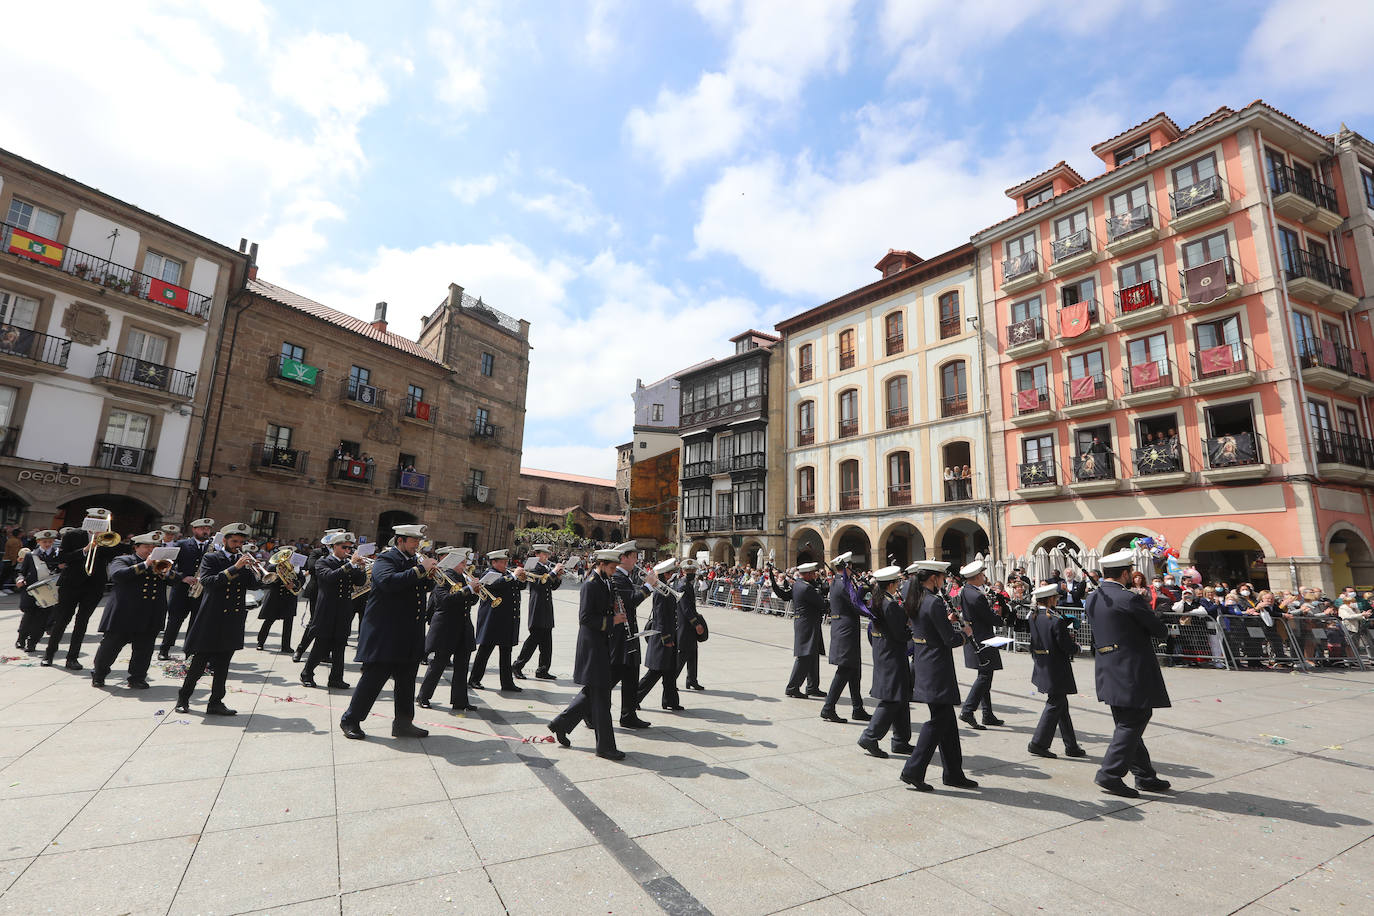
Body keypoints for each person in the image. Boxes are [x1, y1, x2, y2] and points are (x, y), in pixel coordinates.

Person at [1085, 549, 1172, 798]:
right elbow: (1158, 630)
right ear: (1125, 573)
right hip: (1130, 668)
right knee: (1134, 719)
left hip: (1108, 667)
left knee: (1127, 722)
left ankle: (1144, 775)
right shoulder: (1128, 599)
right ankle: (1110, 774)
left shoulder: (1093, 597)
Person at [339, 523, 438, 740]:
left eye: (418, 542)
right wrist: (421, 570)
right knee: (373, 680)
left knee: (406, 681)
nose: (417, 546)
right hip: (386, 633)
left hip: (408, 633)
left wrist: (428, 577)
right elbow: (388, 582)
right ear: (400, 540)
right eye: (413, 541)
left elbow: (415, 588)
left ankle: (403, 723)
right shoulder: (387, 559)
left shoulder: (411, 561)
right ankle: (350, 720)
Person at [901, 559, 978, 791]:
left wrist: (947, 622)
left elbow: (929, 627)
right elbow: (949, 639)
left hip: (926, 664)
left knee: (948, 724)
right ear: (934, 578)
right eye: (942, 578)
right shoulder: (933, 601)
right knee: (938, 722)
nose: (944, 581)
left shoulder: (916, 598)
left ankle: (953, 772)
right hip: (937, 668)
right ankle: (913, 770)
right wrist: (964, 633)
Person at [548, 547, 629, 760]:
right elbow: (585, 618)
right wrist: (612, 621)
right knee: (602, 698)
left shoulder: (605, 582)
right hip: (592, 646)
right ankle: (605, 747)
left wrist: (615, 610)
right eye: (611, 568)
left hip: (602, 644)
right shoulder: (590, 585)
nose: (613, 572)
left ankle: (561, 724)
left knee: (592, 692)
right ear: (601, 564)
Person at [175, 522, 263, 715]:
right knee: (199, 663)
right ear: (224, 540)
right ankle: (183, 698)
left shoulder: (243, 559)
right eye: (234, 541)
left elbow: (254, 585)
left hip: (233, 617)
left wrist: (260, 570)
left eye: (241, 541)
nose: (237, 544)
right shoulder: (211, 557)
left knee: (223, 665)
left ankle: (216, 702)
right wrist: (235, 568)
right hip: (212, 617)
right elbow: (208, 582)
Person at [91, 531, 176, 689]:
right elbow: (117, 575)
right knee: (110, 646)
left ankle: (137, 677)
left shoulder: (160, 564)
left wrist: (168, 572)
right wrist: (145, 564)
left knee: (144, 649)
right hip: (124, 613)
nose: (151, 550)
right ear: (136, 547)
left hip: (150, 613)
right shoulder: (123, 560)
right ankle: (99, 674)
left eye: (154, 547)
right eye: (147, 547)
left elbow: (174, 580)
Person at [44, 508, 123, 670]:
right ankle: (49, 654)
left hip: (94, 585)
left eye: (102, 521)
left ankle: (72, 658)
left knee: (82, 622)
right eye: (94, 519)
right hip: (70, 584)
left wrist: (103, 542)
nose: (98, 523)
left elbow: (115, 555)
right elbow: (63, 557)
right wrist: (86, 550)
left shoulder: (108, 538)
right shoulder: (72, 535)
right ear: (87, 519)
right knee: (61, 621)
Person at [856, 565, 913, 758]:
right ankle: (869, 736)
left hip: (884, 652)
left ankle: (901, 740)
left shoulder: (878, 601)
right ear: (892, 584)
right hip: (892, 654)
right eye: (897, 582)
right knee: (891, 698)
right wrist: (910, 628)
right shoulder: (889, 604)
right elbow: (900, 633)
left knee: (901, 698)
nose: (899, 584)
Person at [1026, 583, 1086, 758]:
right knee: (1055, 704)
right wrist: (1078, 648)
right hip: (1056, 667)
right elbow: (1065, 646)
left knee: (1061, 706)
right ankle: (1038, 743)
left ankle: (1071, 745)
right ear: (1051, 599)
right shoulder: (1055, 619)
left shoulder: (1034, 616)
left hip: (1043, 663)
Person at [301, 532, 366, 689]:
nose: (348, 550)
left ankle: (336, 678)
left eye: (350, 547)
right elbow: (330, 577)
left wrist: (361, 569)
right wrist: (350, 565)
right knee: (321, 645)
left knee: (340, 645)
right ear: (334, 547)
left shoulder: (348, 563)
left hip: (344, 609)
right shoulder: (323, 562)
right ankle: (307, 673)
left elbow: (360, 582)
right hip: (327, 609)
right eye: (344, 547)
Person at [417, 547, 478, 711]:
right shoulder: (443, 578)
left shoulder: (462, 578)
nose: (465, 566)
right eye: (462, 563)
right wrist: (468, 590)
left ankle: (460, 700)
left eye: (466, 562)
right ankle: (423, 696)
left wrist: (475, 592)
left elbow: (469, 602)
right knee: (438, 664)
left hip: (462, 627)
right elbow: (444, 601)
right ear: (453, 563)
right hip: (446, 627)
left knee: (462, 666)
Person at [609, 540, 659, 728]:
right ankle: (590, 710)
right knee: (614, 676)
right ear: (624, 558)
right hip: (621, 635)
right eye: (634, 556)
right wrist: (648, 587)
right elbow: (630, 602)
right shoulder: (618, 577)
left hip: (630, 634)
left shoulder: (626, 577)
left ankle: (628, 714)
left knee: (631, 675)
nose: (637, 559)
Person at [468, 549, 529, 692]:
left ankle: (507, 683)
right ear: (494, 562)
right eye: (502, 562)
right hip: (493, 619)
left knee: (506, 652)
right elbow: (497, 584)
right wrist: (514, 576)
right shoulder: (488, 574)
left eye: (506, 562)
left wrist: (522, 578)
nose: (505, 564)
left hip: (507, 619)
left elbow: (519, 586)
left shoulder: (507, 574)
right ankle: (474, 679)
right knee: (485, 650)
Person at [817, 559, 869, 723]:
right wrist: (873, 611)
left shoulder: (838, 582)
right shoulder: (843, 584)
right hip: (846, 632)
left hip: (846, 630)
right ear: (848, 568)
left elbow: (852, 601)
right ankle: (828, 708)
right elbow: (855, 605)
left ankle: (858, 708)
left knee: (854, 671)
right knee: (845, 669)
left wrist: (861, 589)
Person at [957, 559, 1005, 730]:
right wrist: (1002, 618)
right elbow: (988, 617)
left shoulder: (966, 591)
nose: (984, 577)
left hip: (977, 636)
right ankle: (968, 710)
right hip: (983, 638)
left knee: (985, 675)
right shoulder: (977, 595)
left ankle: (987, 713)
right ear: (977, 576)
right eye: (982, 574)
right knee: (985, 676)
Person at [160, 517, 216, 660]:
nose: (206, 531)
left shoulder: (214, 547)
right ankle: (164, 649)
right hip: (181, 589)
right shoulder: (182, 544)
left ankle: (189, 651)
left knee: (196, 622)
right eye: (202, 528)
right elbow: (166, 567)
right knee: (174, 621)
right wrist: (182, 577)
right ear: (194, 529)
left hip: (201, 590)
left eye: (208, 529)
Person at [636, 558, 684, 711]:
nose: (672, 575)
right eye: (670, 573)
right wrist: (667, 638)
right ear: (666, 574)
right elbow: (660, 617)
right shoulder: (660, 591)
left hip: (668, 634)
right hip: (662, 637)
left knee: (670, 672)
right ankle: (633, 699)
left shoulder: (665, 589)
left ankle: (670, 701)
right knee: (654, 673)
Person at [512, 544, 563, 680]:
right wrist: (553, 572)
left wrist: (558, 576)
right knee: (534, 639)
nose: (547, 556)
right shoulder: (534, 567)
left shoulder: (545, 568)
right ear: (537, 554)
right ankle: (517, 665)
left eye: (547, 554)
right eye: (544, 554)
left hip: (546, 607)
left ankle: (543, 669)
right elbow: (541, 583)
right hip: (538, 606)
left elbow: (552, 586)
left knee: (547, 641)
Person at [293, 529, 344, 662]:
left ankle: (325, 654)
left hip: (335, 595)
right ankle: (300, 649)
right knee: (314, 622)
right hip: (317, 591)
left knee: (331, 624)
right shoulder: (318, 552)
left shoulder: (344, 555)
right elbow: (311, 567)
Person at [786, 554, 830, 699]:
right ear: (808, 574)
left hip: (807, 623)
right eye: (813, 573)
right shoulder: (807, 588)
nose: (815, 575)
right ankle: (792, 687)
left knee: (813, 655)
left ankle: (812, 686)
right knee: (804, 656)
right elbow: (822, 605)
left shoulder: (798, 584)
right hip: (807, 624)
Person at [15, 529, 59, 651]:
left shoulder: (58, 555)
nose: (47, 544)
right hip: (31, 591)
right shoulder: (31, 555)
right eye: (44, 541)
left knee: (42, 620)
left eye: (50, 542)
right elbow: (21, 572)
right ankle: (21, 639)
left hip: (48, 592)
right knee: (28, 617)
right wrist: (20, 579)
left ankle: (32, 642)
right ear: (38, 541)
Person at [256, 549, 300, 653]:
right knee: (268, 621)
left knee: (288, 623)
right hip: (275, 597)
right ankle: (260, 642)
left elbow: (300, 579)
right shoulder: (272, 566)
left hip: (289, 597)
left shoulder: (295, 567)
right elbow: (266, 581)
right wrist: (277, 579)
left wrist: (294, 584)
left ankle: (286, 646)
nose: (287, 558)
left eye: (289, 556)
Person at [676, 558, 707, 690]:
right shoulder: (683, 585)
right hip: (686, 626)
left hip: (690, 626)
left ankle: (692, 680)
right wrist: (696, 624)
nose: (691, 572)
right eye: (688, 570)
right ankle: (671, 680)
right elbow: (686, 608)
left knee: (693, 653)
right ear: (683, 571)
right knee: (682, 655)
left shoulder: (687, 584)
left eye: (693, 570)